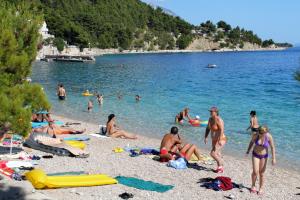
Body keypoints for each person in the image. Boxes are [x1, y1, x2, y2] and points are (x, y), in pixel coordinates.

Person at [246, 125, 276, 195]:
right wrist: (248, 151)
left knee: (261, 173)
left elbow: (272, 147)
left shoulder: (268, 136)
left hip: (264, 156)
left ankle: (261, 188)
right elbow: (251, 142)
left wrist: (273, 158)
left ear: (266, 132)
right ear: (258, 132)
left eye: (263, 133)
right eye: (260, 133)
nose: (261, 134)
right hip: (255, 155)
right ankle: (253, 185)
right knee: (255, 172)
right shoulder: (255, 135)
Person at [204, 106, 226, 173]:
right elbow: (208, 128)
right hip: (214, 139)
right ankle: (220, 168)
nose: (210, 113)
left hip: (221, 139)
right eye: (210, 111)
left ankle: (221, 163)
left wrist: (219, 139)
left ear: (216, 112)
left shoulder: (219, 120)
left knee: (212, 153)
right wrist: (205, 137)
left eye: (211, 111)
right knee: (218, 154)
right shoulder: (210, 119)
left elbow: (222, 129)